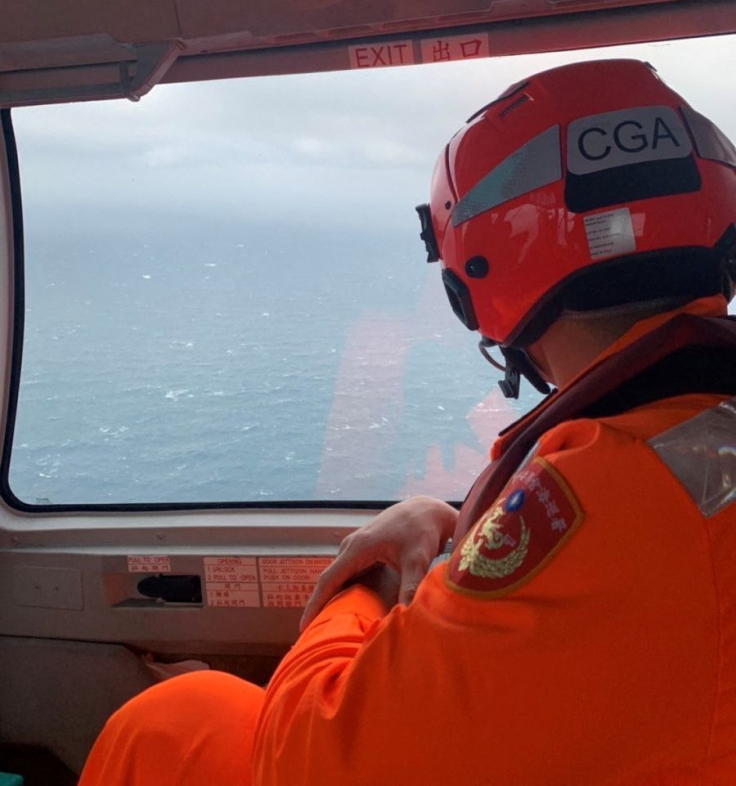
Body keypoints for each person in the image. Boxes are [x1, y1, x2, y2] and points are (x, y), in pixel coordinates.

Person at [79, 58, 736, 785]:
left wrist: (369, 575)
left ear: (475, 279)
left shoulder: (606, 493)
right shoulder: (688, 438)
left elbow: (305, 759)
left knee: (174, 719)